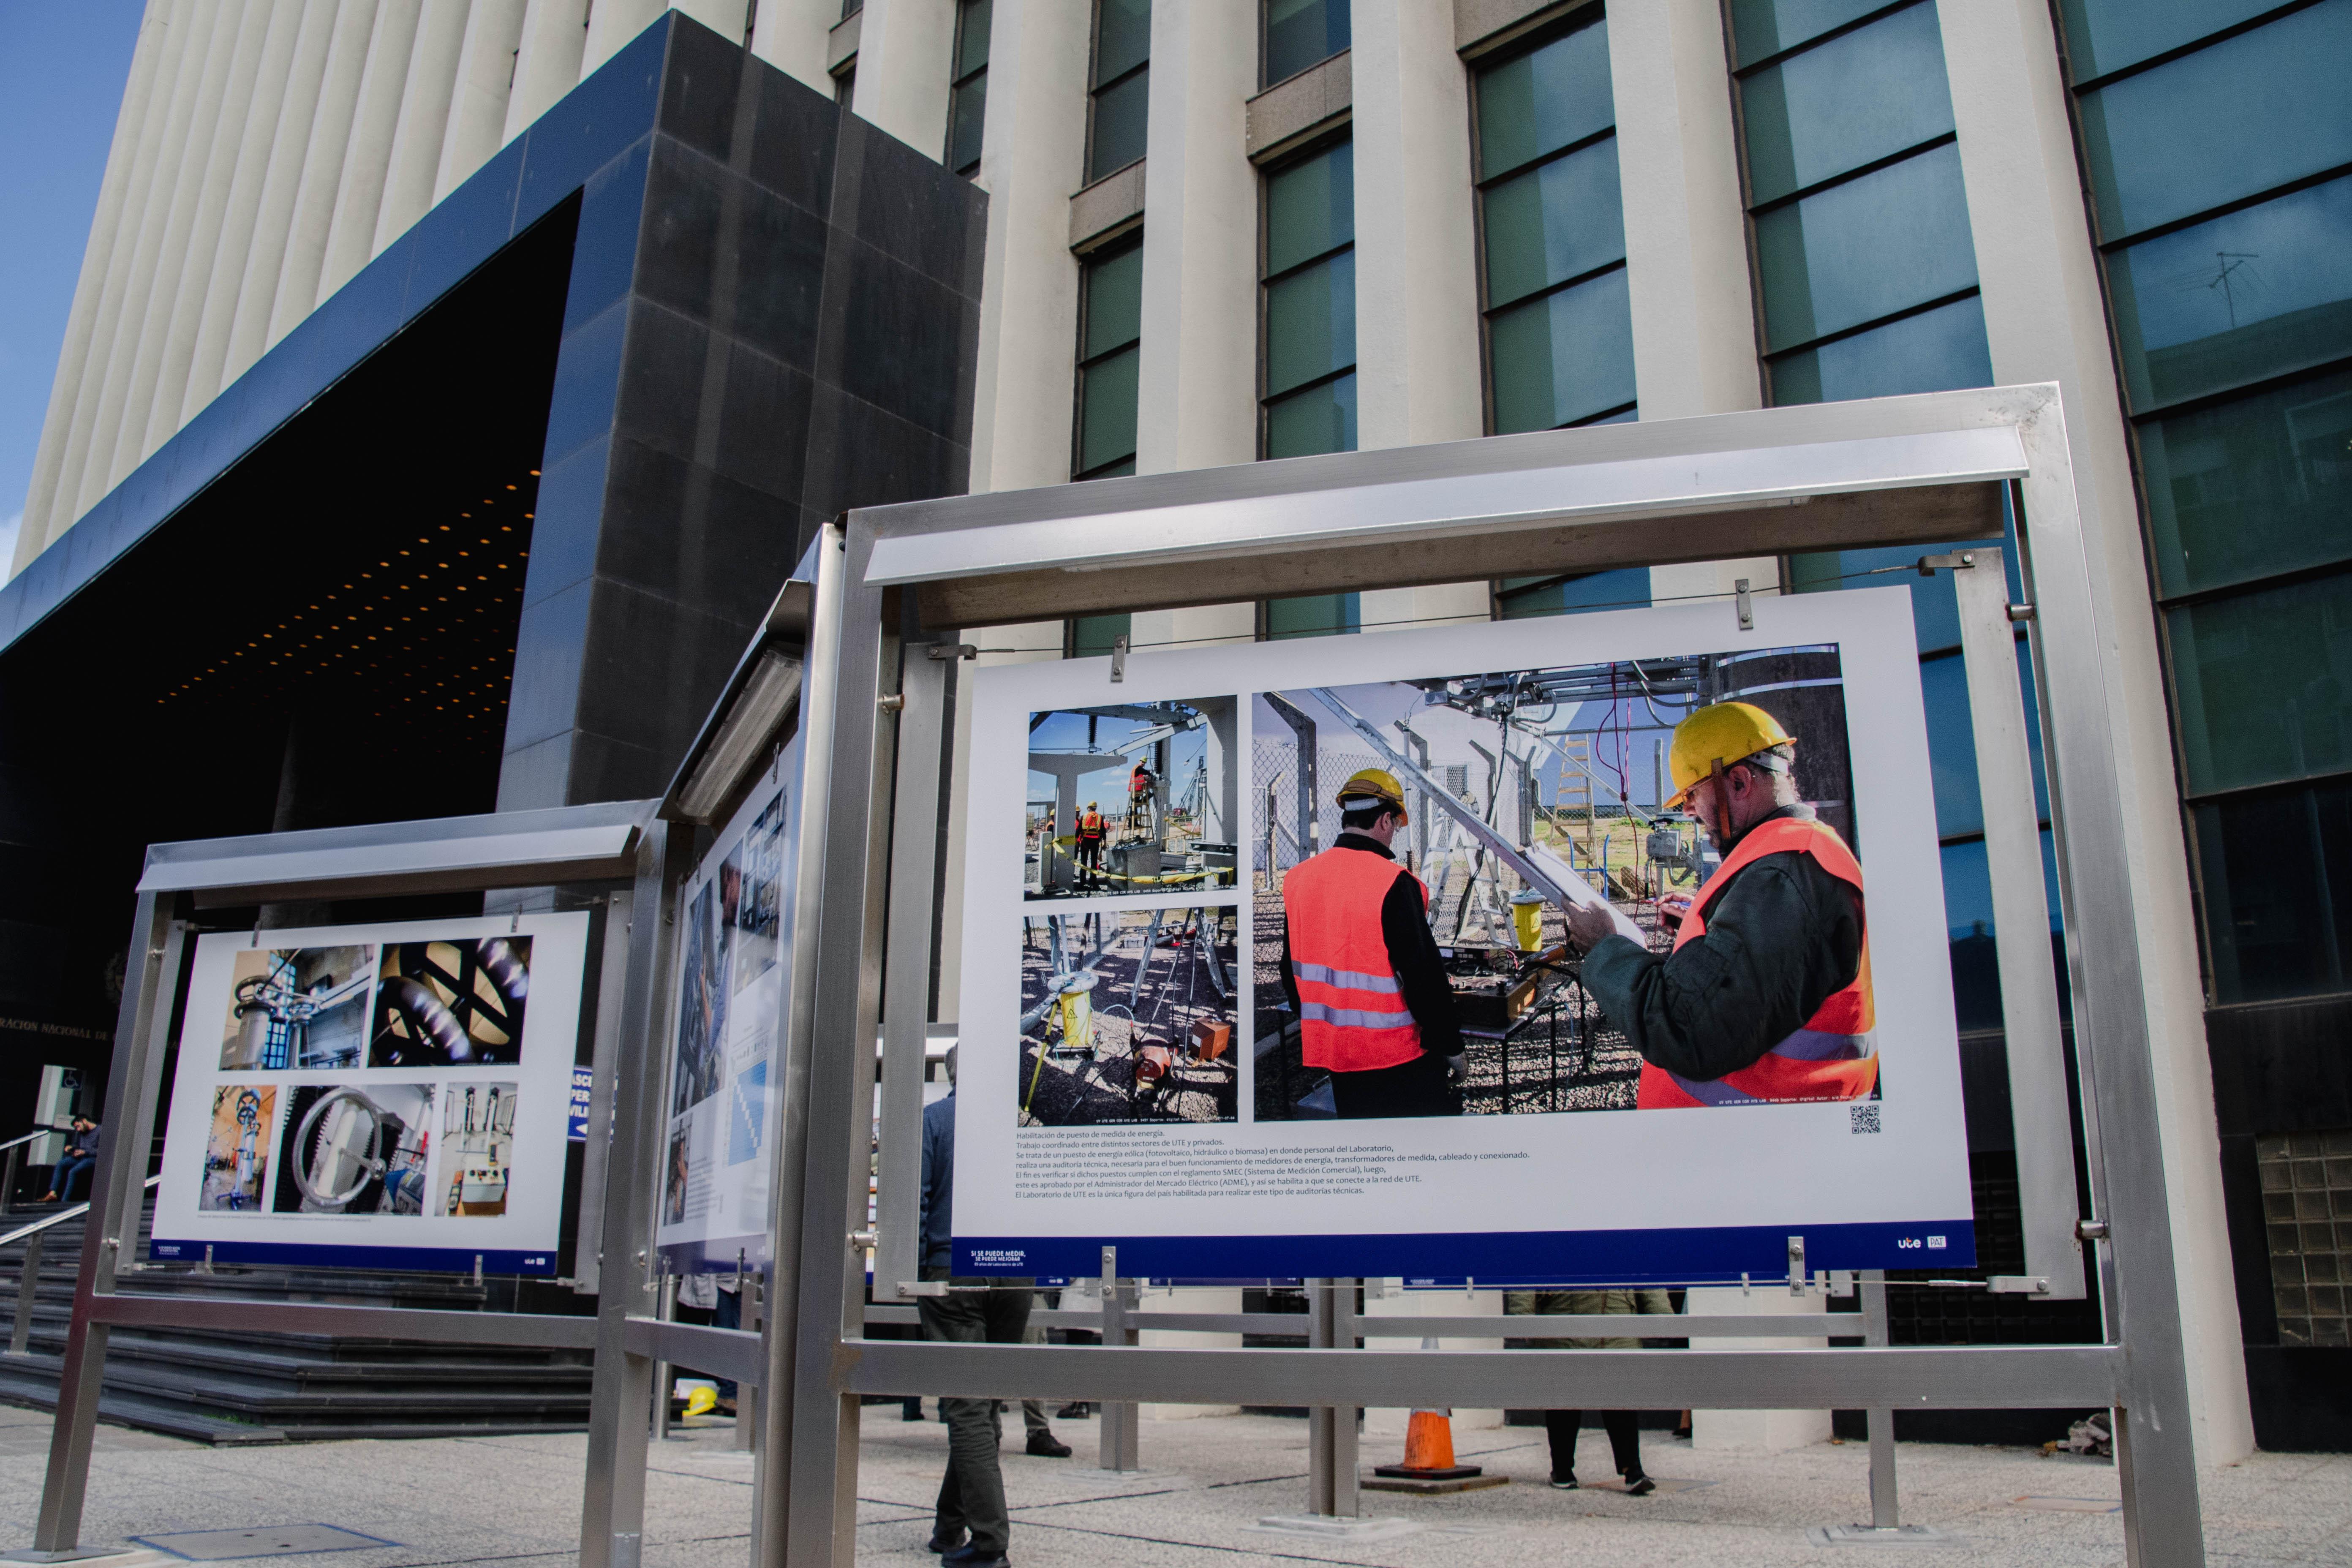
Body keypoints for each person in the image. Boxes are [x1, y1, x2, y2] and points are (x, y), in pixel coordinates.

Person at [1563, 702, 1876, 1108]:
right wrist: (1704, 918)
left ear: (1741, 782)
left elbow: (1687, 1030)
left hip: (1756, 1149)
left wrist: (1606, 947)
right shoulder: (1791, 858)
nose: (1688, 811)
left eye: (1692, 794)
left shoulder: (1785, 875)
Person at [1279, 769, 1464, 1118]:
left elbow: (1290, 969)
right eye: (1396, 825)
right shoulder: (1395, 882)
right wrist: (1451, 1046)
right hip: (1398, 1057)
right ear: (1384, 820)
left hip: (1336, 1055)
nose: (1394, 834)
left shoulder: (1298, 878)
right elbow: (1424, 976)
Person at [920, 1049, 1032, 1568]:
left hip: (956, 1273)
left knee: (967, 1405)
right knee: (982, 1402)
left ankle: (990, 1545)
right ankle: (948, 1526)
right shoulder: (1018, 1122)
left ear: (950, 1075)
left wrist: (922, 1272)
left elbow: (917, 1203)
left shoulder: (934, 1121)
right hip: (1015, 1274)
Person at [1504, 1287, 1669, 1493]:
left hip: (1615, 1320)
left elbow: (1644, 1271)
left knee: (1620, 1401)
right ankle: (1562, 1469)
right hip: (1564, 1317)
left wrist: (1661, 1315)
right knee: (1564, 1401)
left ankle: (1633, 1471)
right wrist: (1523, 1319)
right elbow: (1531, 1272)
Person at [43, 1117, 101, 1204]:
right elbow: (77, 1145)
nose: (78, 1129)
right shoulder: (81, 1132)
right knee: (61, 1163)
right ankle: (53, 1193)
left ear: (84, 1121)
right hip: (81, 1157)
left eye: (78, 1126)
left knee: (73, 1172)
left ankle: (64, 1201)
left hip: (92, 1158)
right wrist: (72, 1148)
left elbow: (102, 1150)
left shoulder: (100, 1131)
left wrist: (85, 1152)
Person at [1074, 801, 1106, 881]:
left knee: (1083, 862)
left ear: (1089, 808)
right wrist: (1105, 842)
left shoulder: (1084, 817)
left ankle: (1083, 881)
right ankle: (1093, 882)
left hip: (1085, 842)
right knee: (1094, 862)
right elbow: (1103, 830)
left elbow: (1078, 830)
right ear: (1096, 808)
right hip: (1095, 842)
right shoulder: (1100, 817)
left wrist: (1076, 842)